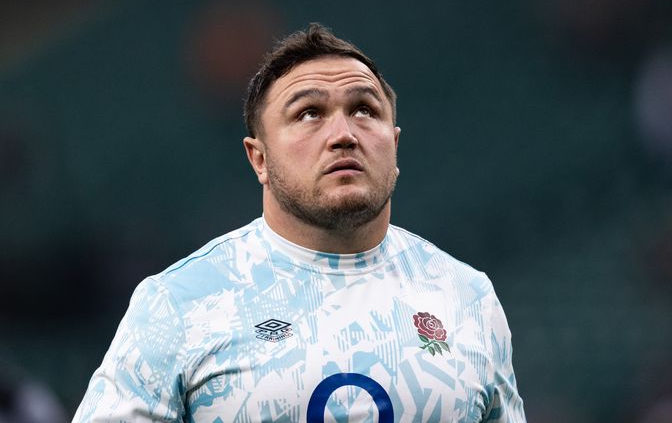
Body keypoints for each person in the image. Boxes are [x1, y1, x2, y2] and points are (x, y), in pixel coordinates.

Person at [74, 23, 526, 422]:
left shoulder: (467, 298)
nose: (343, 134)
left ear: (395, 142)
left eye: (365, 110)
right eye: (309, 113)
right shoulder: (177, 305)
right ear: (259, 158)